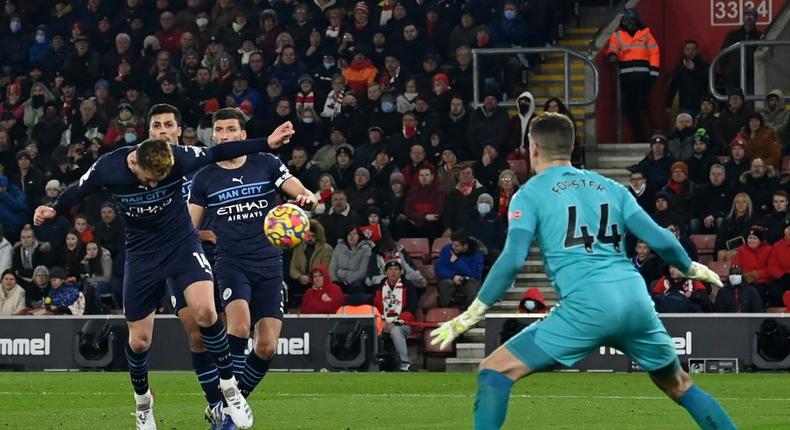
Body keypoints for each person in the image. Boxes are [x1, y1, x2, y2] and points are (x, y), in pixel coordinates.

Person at [429, 113, 735, 429]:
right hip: (635, 300)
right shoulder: (611, 187)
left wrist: (471, 314)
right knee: (680, 386)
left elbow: (512, 259)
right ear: (571, 148)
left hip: (587, 306)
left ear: (533, 148)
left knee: (494, 372)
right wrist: (691, 267)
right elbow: (662, 239)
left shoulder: (531, 193)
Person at [33, 103, 294, 430]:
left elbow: (221, 151)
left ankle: (229, 393)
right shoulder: (108, 167)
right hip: (142, 255)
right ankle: (143, 403)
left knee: (207, 314)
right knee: (140, 340)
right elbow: (77, 191)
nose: (156, 185)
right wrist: (53, 210)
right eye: (150, 179)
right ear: (136, 163)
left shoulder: (180, 158)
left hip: (182, 245)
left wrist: (265, 143)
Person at [187, 107, 316, 407]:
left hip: (270, 264)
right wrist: (205, 236)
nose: (224, 135)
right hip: (231, 262)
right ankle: (229, 399)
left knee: (268, 346)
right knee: (240, 326)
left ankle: (229, 403)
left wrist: (305, 195)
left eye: (231, 130)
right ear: (213, 136)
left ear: (243, 135)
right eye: (219, 130)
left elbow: (294, 186)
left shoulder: (266, 162)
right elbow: (188, 227)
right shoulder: (204, 178)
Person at [606, 8, 659, 142]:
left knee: (644, 106)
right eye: (627, 20)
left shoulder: (645, 33)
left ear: (636, 20)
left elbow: (654, 52)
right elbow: (612, 49)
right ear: (623, 21)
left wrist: (653, 71)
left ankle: (655, 133)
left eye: (632, 19)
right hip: (627, 77)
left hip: (644, 76)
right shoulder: (617, 35)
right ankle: (641, 138)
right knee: (630, 109)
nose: (630, 22)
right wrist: (612, 55)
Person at [374, 259, 418, 372]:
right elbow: (374, 308)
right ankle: (373, 362)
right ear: (386, 272)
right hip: (383, 323)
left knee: (396, 331)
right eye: (390, 269)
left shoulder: (409, 286)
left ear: (401, 272)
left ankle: (405, 362)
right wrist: (382, 321)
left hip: (403, 323)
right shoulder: (379, 287)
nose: (393, 272)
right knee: (371, 330)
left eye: (396, 269)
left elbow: (412, 309)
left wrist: (394, 322)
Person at [434, 229, 484, 309]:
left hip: (467, 281)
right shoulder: (447, 249)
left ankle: (468, 312)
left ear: (465, 246)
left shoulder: (477, 254)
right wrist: (453, 276)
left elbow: (476, 274)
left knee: (474, 286)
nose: (453, 247)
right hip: (450, 279)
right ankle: (444, 310)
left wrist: (457, 262)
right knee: (446, 283)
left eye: (457, 246)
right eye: (452, 244)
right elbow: (439, 267)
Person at [665, 40, 709, 117]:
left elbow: (706, 83)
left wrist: (694, 70)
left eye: (693, 49)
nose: (690, 52)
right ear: (684, 51)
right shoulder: (679, 68)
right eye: (688, 49)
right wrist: (669, 104)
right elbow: (673, 87)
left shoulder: (705, 66)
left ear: (697, 51)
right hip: (685, 106)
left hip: (702, 106)